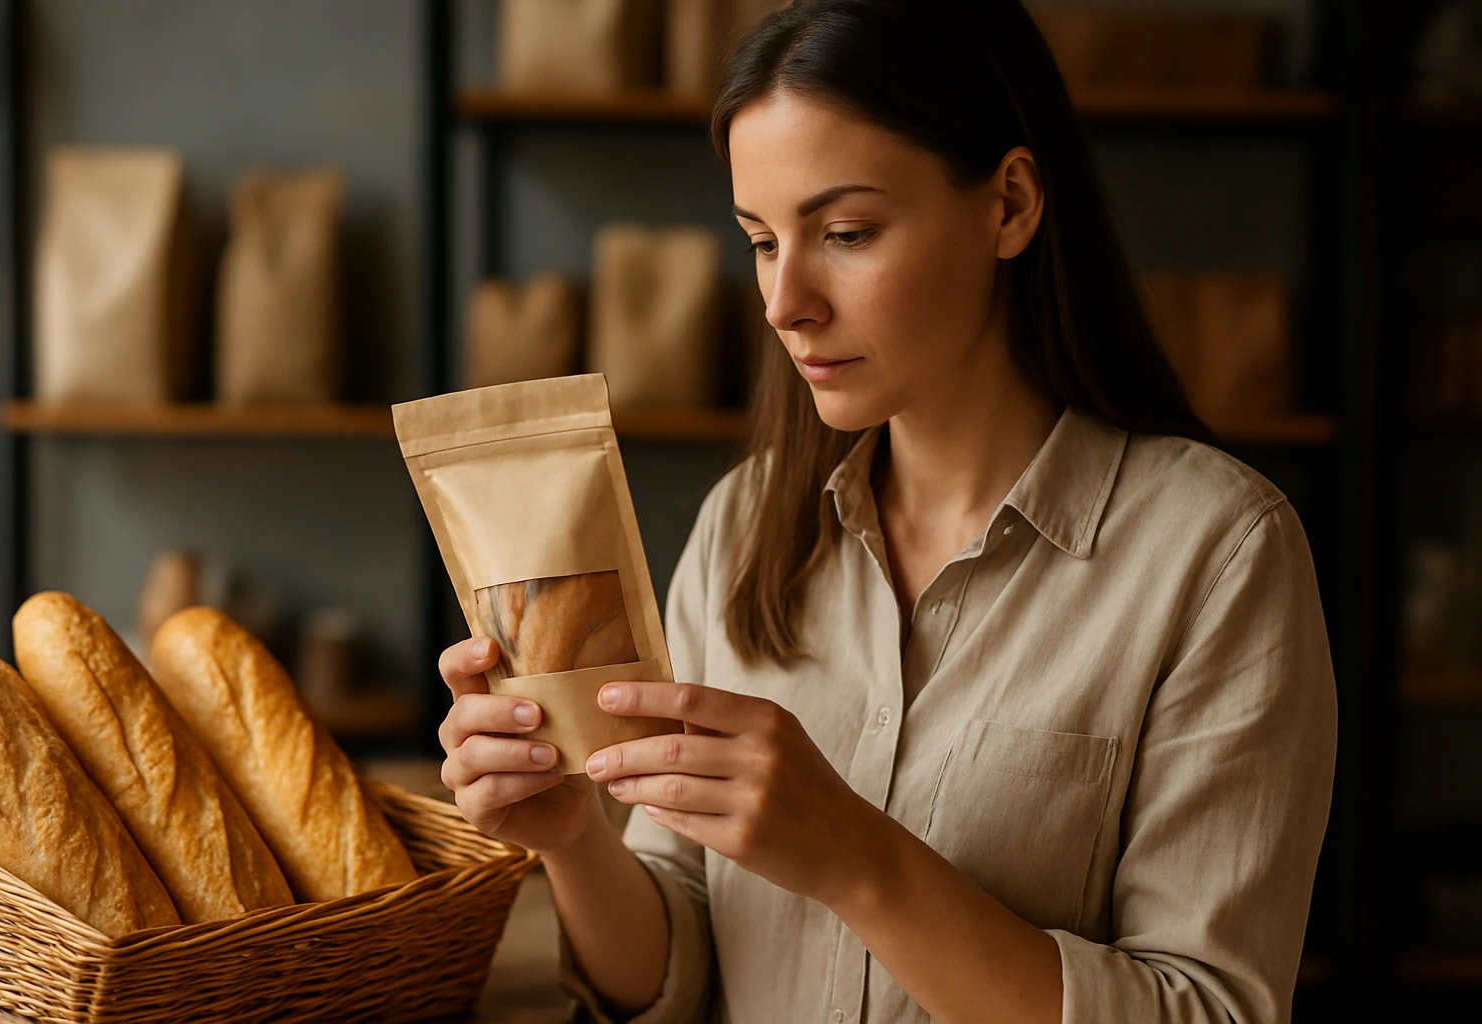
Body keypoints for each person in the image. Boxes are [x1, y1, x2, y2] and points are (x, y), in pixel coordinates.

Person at [437, 2, 1337, 1021]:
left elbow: (1209, 1010)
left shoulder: (1217, 554)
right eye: (763, 242)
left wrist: (859, 860)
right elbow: (676, 974)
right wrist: (574, 840)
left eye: (847, 232)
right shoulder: (744, 525)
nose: (786, 302)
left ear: (1009, 204)